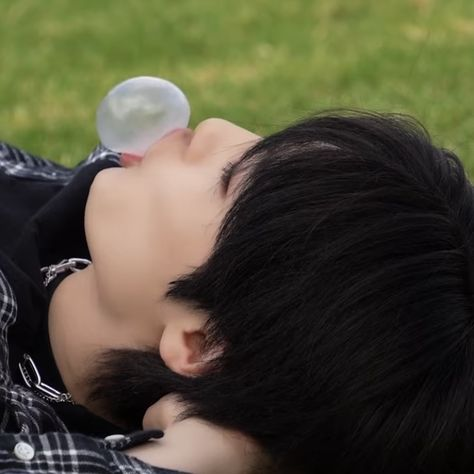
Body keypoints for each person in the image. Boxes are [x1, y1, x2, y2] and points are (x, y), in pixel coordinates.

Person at [0, 111, 473, 474]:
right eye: (260, 144)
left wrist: (189, 458)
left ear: (203, 343)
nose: (214, 126)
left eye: (227, 180)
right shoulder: (48, 195)